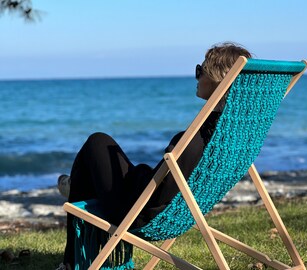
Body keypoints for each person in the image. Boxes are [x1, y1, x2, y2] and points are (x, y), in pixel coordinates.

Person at [56, 42, 252, 270]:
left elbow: (158, 194)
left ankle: (71, 256)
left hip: (139, 212)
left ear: (219, 79)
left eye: (200, 70)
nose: (196, 77)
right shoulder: (229, 134)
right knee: (101, 147)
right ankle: (77, 187)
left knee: (97, 142)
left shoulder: (197, 138)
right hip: (173, 207)